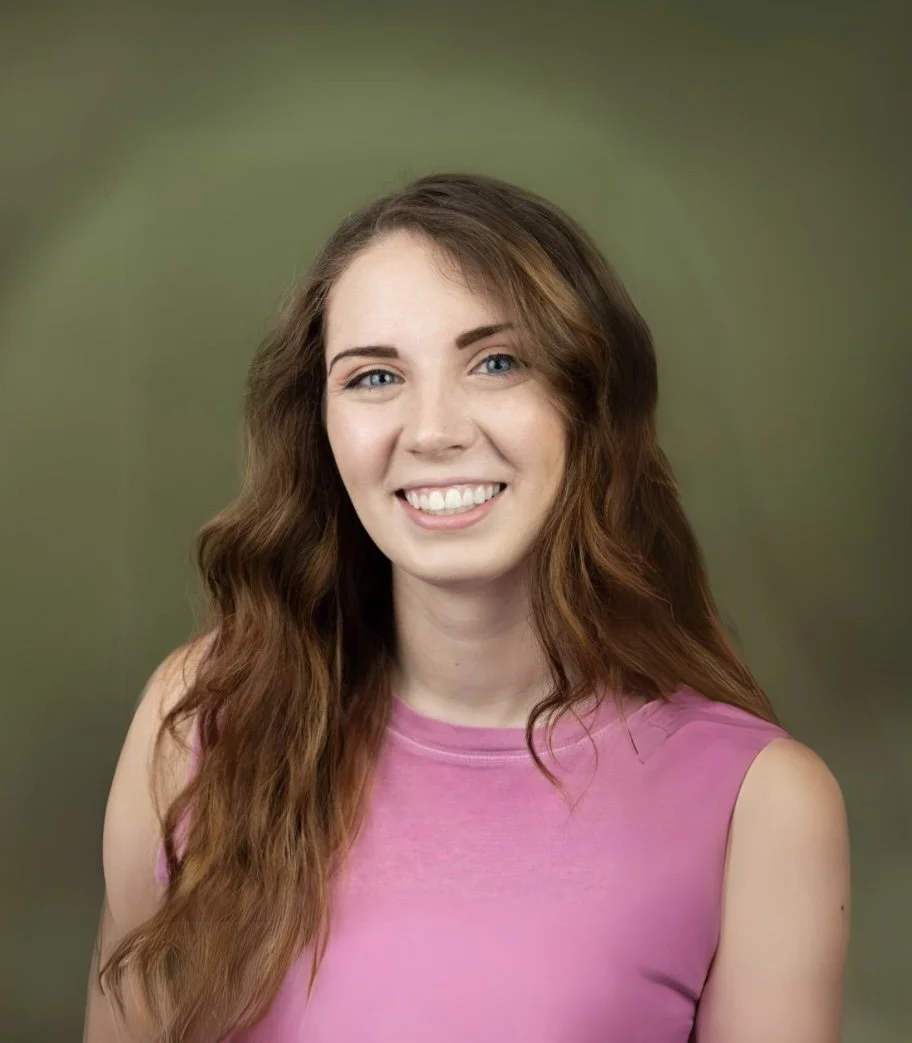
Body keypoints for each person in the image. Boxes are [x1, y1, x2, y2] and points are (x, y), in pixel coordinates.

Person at [84, 172, 850, 1043]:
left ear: (588, 401)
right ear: (322, 426)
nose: (433, 430)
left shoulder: (762, 804)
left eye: (496, 363)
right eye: (375, 376)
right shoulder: (202, 720)